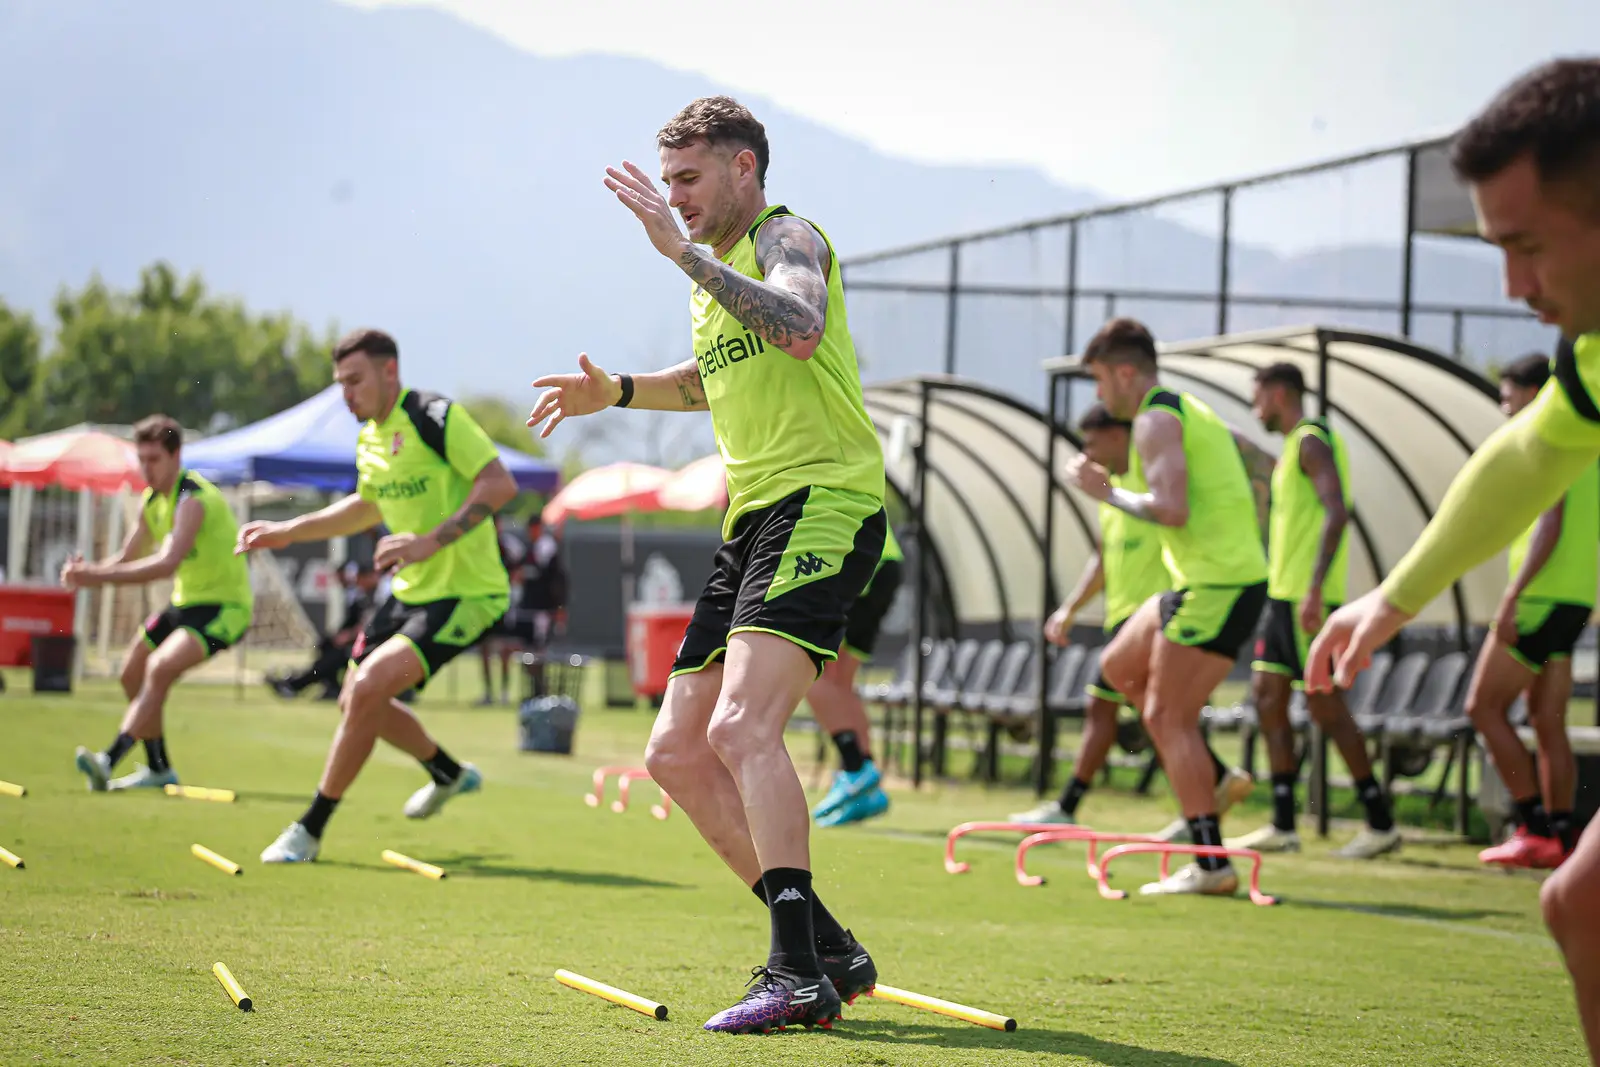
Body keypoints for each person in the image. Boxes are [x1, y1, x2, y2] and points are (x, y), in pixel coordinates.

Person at [527, 96, 885, 1034]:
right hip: (752, 519)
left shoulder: (786, 236)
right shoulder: (715, 275)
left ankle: (795, 972)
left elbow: (798, 326)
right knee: (675, 752)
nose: (674, 198)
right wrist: (618, 390)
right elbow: (714, 376)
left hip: (825, 502)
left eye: (689, 180)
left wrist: (683, 253)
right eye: (669, 181)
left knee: (739, 728)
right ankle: (827, 946)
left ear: (744, 170)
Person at [1305, 58, 1600, 1063]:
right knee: (1581, 908)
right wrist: (1389, 600)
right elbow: (1524, 458)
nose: (1514, 286)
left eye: (1527, 246)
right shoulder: (1592, 353)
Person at [238, 328, 517, 863]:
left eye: (355, 380)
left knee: (365, 690)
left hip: (466, 592)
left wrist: (429, 542)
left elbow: (499, 484)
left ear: (391, 371)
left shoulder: (435, 416)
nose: (346, 394)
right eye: (341, 382)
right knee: (356, 699)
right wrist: (289, 529)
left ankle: (310, 828)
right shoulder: (368, 436)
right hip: (408, 591)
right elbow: (366, 506)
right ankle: (448, 773)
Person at [1066, 317, 1269, 896]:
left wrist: (1107, 493)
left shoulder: (1155, 420)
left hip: (1219, 586)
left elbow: (1172, 509)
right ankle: (1213, 779)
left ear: (1126, 372)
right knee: (1118, 668)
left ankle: (1210, 864)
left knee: (1165, 717)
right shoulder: (1181, 409)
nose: (1100, 395)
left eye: (1101, 380)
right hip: (1196, 584)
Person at [1011, 405, 1249, 828]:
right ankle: (1204, 802)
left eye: (1092, 442)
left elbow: (1178, 507)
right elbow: (1104, 558)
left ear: (1119, 436)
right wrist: (1070, 609)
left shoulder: (1148, 478)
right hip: (1126, 618)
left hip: (1161, 614)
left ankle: (1070, 808)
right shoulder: (1112, 491)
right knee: (1158, 719)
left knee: (1143, 715)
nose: (1086, 452)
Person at [1226, 363, 1401, 859]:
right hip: (1282, 597)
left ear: (1279, 393)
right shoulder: (1291, 449)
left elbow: (1337, 511)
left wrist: (1315, 588)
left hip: (1309, 600)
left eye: (1258, 396)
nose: (1256, 407)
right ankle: (1283, 823)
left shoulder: (1311, 441)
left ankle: (1380, 821)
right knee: (1266, 697)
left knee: (1325, 706)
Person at [68, 414, 254, 791]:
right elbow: (129, 555)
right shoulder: (153, 500)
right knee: (131, 672)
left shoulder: (193, 500)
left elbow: (166, 563)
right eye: (142, 459)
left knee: (159, 669)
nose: (147, 468)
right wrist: (89, 570)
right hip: (185, 604)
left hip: (223, 608)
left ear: (176, 456)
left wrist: (97, 578)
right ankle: (157, 768)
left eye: (155, 459)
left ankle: (109, 758)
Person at [1471, 353, 1593, 869]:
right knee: (1548, 723)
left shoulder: (1550, 437)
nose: (1503, 406)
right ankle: (1561, 837)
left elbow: (1551, 522)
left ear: (1533, 392)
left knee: (1482, 708)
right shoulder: (1587, 437)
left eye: (1507, 395)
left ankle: (1531, 824)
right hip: (1576, 597)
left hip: (1540, 598)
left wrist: (1513, 594)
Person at [808, 524, 903, 828]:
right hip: (882, 561)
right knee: (840, 683)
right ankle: (866, 790)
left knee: (810, 670)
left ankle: (855, 768)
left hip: (856, 556)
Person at [268, 562, 383, 701]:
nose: (357, 581)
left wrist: (348, 636)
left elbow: (370, 625)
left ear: (371, 576)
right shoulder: (362, 595)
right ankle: (328, 686)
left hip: (373, 645)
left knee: (336, 655)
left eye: (361, 577)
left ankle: (296, 684)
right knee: (325, 645)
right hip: (359, 642)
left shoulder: (379, 595)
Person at [477, 514, 529, 706]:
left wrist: (508, 589)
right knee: (484, 649)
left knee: (505, 649)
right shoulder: (479, 547)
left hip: (501, 604)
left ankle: (505, 692)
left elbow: (519, 571)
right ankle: (488, 692)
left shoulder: (508, 546)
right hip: (482, 603)